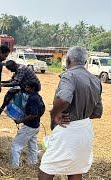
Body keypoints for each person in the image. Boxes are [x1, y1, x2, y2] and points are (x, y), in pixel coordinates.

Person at [39, 47, 103, 180]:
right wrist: (81, 112)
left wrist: (55, 113)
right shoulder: (95, 80)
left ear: (68, 60)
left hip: (67, 127)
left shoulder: (69, 75)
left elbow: (64, 99)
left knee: (48, 167)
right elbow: (97, 112)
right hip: (85, 130)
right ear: (85, 62)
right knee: (76, 168)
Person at [10, 80, 45, 168]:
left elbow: (33, 114)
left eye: (27, 87)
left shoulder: (33, 98)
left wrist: (20, 120)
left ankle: (14, 166)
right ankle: (33, 163)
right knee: (32, 146)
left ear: (32, 88)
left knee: (16, 145)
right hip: (35, 126)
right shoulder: (38, 97)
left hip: (29, 127)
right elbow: (42, 110)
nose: (26, 89)